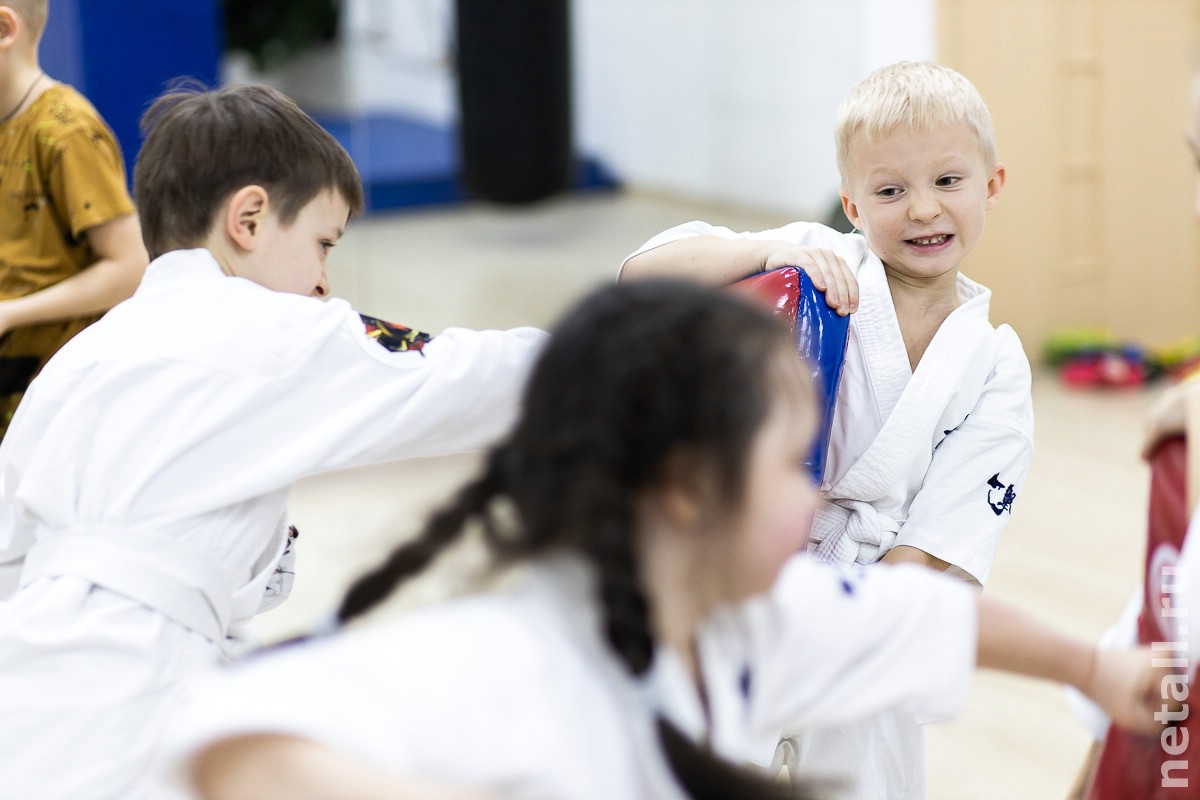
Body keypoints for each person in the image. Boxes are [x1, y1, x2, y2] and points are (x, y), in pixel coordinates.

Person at [155, 280, 1161, 800]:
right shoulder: (526, 650)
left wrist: (1095, 665)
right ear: (687, 486)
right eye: (789, 464)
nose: (807, 493)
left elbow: (928, 615)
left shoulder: (754, 620)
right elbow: (232, 732)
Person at [0, 81, 547, 798]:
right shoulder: (276, 330)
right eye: (323, 244)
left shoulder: (80, 359)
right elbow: (470, 378)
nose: (324, 285)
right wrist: (633, 321)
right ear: (250, 219)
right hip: (133, 694)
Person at [620, 60, 1033, 796]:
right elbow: (640, 276)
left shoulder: (995, 365)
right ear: (851, 202)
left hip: (871, 610)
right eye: (889, 190)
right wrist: (765, 251)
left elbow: (938, 536)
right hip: (745, 579)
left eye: (948, 181)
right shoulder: (816, 260)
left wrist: (842, 625)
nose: (922, 210)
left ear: (993, 185)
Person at [0, 0, 148, 439]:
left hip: (56, 409)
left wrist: (10, 313)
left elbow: (130, 268)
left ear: (4, 29)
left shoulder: (66, 130)